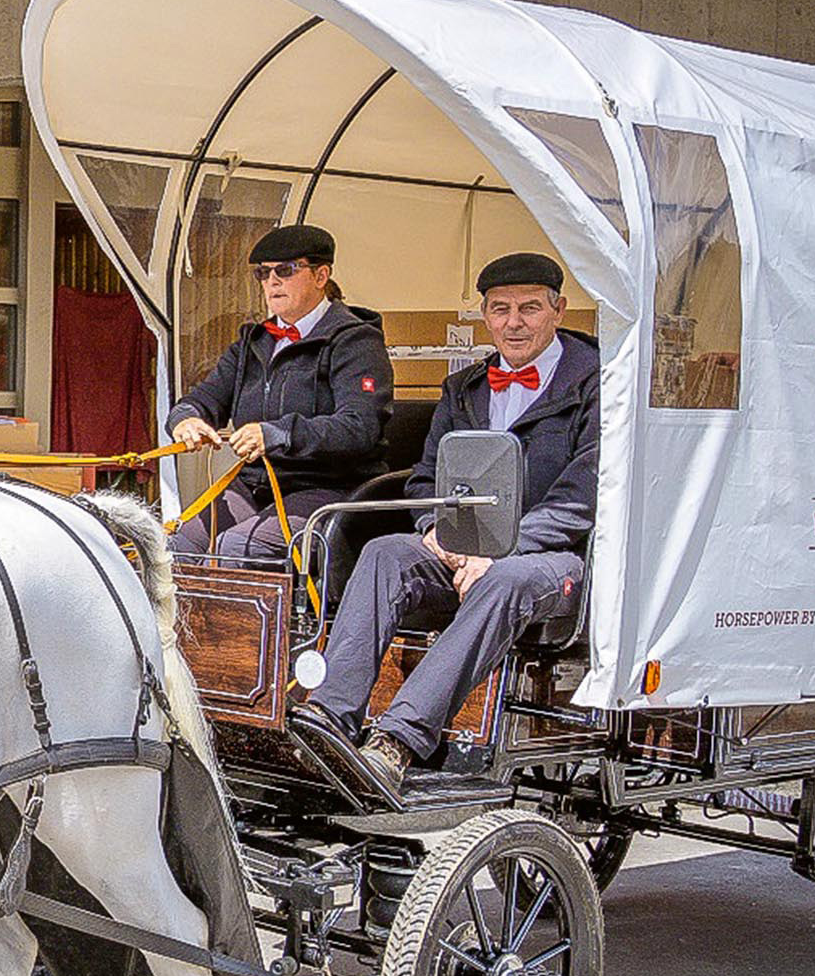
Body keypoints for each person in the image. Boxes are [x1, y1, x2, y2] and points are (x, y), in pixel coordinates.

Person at [289, 252, 597, 805]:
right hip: (465, 546)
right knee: (386, 551)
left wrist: (504, 550)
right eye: (500, 310)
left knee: (506, 581)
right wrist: (435, 528)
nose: (514, 322)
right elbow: (426, 477)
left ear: (558, 310)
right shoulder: (465, 389)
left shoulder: (596, 385)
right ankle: (330, 719)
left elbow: (584, 498)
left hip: (559, 557)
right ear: (485, 315)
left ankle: (398, 740)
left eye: (529, 308)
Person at [167, 223, 393, 563]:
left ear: (321, 276)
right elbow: (205, 397)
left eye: (285, 271)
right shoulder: (252, 342)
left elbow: (359, 427)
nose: (272, 281)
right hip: (256, 485)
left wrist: (278, 434)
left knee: (239, 547)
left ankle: (255, 619)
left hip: (328, 488)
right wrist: (187, 419)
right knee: (177, 545)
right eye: (263, 273)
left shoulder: (355, 341)